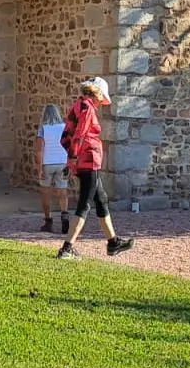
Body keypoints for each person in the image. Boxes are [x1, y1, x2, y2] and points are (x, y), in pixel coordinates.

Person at [56, 77, 134, 260]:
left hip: (84, 160)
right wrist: (73, 159)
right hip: (88, 160)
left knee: (102, 199)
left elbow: (67, 135)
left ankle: (113, 242)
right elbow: (80, 135)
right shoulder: (88, 109)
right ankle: (67, 248)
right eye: (101, 97)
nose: (101, 102)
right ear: (97, 93)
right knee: (84, 204)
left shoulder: (79, 106)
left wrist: (72, 160)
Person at [35, 104, 71, 233]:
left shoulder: (43, 129)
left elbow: (39, 150)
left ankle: (48, 220)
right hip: (62, 162)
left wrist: (39, 169)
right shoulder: (65, 128)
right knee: (62, 192)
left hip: (47, 163)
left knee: (46, 192)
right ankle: (64, 217)